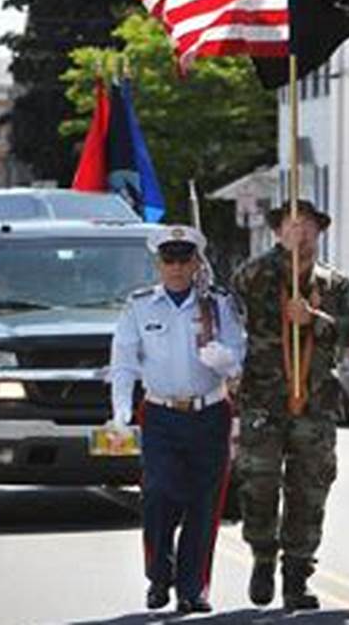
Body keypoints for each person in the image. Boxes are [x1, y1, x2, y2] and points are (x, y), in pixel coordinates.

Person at [230, 199, 349, 611]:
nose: (300, 233)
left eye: (307, 225)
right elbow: (226, 316)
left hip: (315, 402)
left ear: (318, 232)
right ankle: (262, 554)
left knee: (310, 488)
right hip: (263, 399)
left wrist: (316, 320)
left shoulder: (334, 283)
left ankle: (297, 572)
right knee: (258, 482)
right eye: (292, 225)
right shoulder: (255, 275)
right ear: (277, 232)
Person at [108, 225, 246, 615]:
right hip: (161, 413)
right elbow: (123, 362)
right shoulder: (139, 306)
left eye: (184, 259)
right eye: (169, 259)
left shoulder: (217, 304)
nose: (177, 267)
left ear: (196, 262)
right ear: (158, 263)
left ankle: (192, 588)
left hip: (209, 412)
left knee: (204, 503)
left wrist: (226, 359)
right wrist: (120, 409)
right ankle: (158, 574)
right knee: (159, 493)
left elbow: (238, 353)